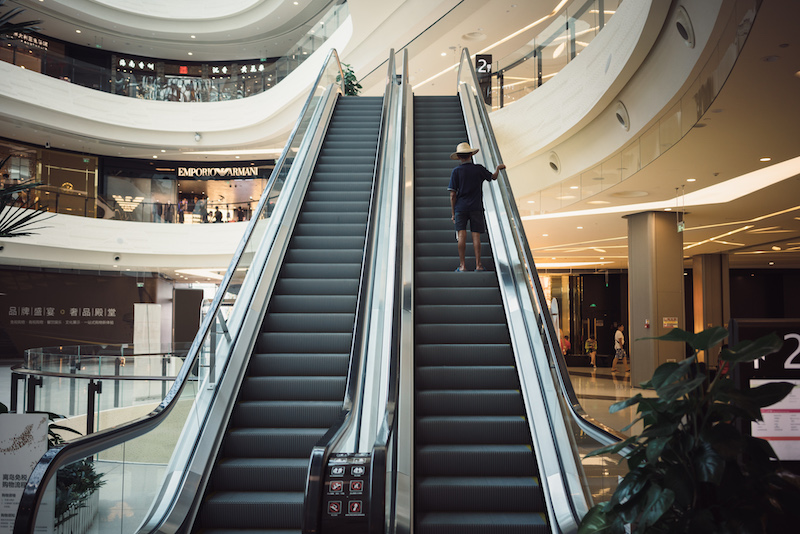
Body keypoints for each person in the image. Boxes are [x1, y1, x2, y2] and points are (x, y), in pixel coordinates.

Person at [447, 142, 506, 272]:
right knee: (476, 236)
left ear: (459, 157)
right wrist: (497, 169)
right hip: (476, 207)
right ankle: (478, 265)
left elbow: (452, 195)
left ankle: (462, 266)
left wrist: (453, 213)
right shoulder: (478, 169)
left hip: (460, 208)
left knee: (461, 236)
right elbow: (493, 177)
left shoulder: (456, 171)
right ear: (471, 155)